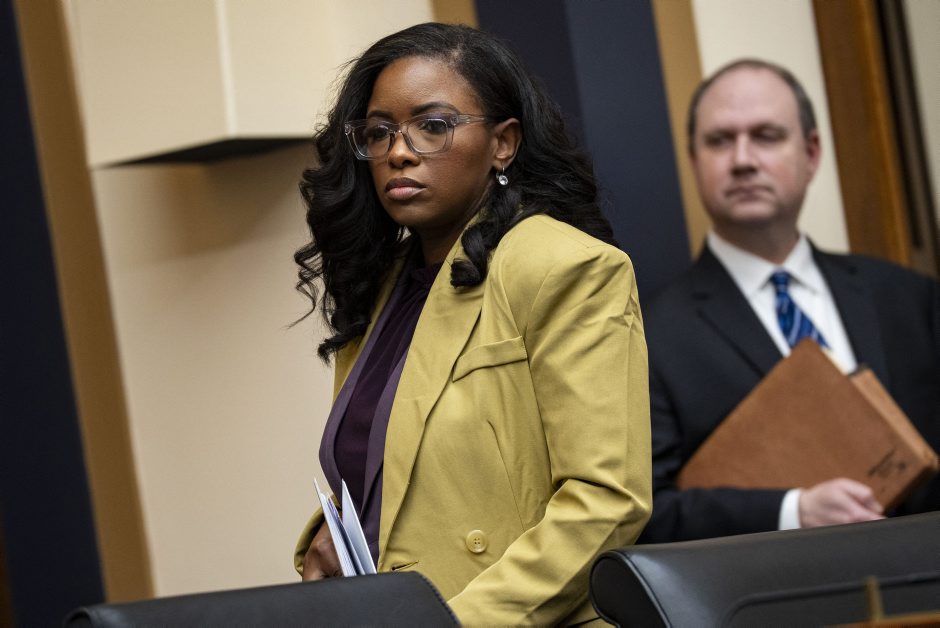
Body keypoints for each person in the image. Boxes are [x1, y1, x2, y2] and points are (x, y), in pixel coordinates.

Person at [291, 22, 651, 625]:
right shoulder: (384, 286)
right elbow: (406, 464)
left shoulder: (564, 266)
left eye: (432, 126)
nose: (399, 152)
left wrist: (455, 623)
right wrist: (341, 532)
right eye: (379, 133)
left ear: (503, 143)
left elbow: (605, 502)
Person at [639, 58, 940, 544]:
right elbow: (647, 515)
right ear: (693, 160)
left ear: (812, 152)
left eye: (766, 136)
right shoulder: (651, 335)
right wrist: (792, 511)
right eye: (720, 140)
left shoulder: (909, 298)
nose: (743, 159)